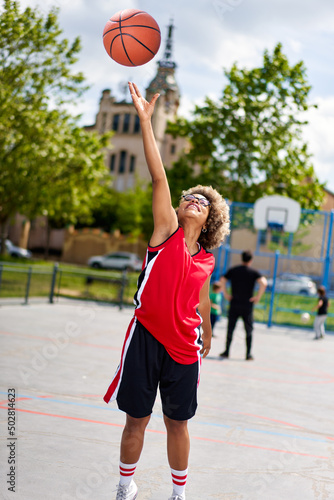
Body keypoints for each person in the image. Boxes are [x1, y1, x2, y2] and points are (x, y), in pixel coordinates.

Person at [103, 82, 230, 500]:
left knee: (178, 423)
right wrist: (145, 120)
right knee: (136, 419)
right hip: (146, 337)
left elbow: (202, 297)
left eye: (202, 200)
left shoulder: (206, 258)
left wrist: (208, 333)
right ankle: (125, 487)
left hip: (184, 347)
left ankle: (178, 493)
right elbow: (159, 173)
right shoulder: (167, 231)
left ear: (211, 220)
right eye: (188, 196)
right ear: (176, 208)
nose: (193, 199)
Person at [219, 250, 267, 361]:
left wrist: (226, 293)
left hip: (234, 303)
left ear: (242, 258)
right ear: (251, 260)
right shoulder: (254, 272)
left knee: (230, 328)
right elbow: (264, 283)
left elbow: (222, 280)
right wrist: (257, 297)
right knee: (248, 330)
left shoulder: (234, 270)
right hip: (247, 305)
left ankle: (226, 351)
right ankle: (248, 354)